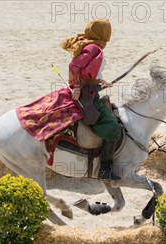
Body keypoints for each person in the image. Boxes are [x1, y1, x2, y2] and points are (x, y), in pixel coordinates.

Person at [61, 19, 122, 180]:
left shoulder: (92, 46)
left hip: (91, 89)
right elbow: (74, 66)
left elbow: (89, 72)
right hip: (87, 95)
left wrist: (101, 81)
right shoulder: (93, 47)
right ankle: (104, 168)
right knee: (114, 128)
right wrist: (75, 87)